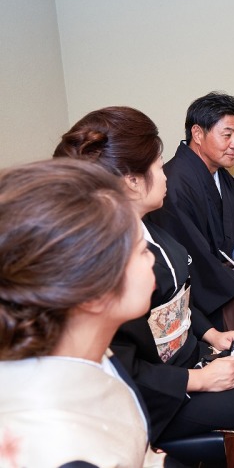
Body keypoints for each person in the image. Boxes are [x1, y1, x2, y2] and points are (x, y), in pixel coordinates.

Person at [54, 106, 234, 442]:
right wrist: (200, 379)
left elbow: (178, 300)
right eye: (160, 167)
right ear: (131, 182)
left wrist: (213, 336)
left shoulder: (150, 232)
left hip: (193, 358)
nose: (165, 176)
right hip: (162, 394)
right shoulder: (105, 270)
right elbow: (120, 369)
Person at [0, 159, 165, 467]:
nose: (152, 260)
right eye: (142, 250)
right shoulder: (55, 448)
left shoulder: (86, 351)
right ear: (93, 293)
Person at [148, 92, 234, 338]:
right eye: (227, 135)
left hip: (230, 281)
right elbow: (195, 262)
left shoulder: (220, 177)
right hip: (205, 303)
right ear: (197, 133)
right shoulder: (173, 186)